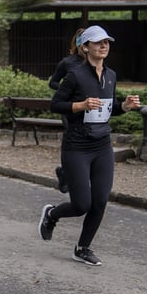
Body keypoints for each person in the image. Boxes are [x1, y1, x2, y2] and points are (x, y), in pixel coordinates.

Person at [38, 25, 141, 266]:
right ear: (85, 47)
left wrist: (124, 106)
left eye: (106, 42)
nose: (104, 46)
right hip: (76, 146)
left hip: (102, 145)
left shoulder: (111, 75)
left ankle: (83, 248)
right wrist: (81, 105)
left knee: (100, 200)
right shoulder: (75, 75)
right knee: (81, 205)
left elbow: (109, 108)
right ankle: (51, 214)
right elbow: (55, 105)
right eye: (98, 42)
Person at [49, 28, 87, 193]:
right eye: (82, 41)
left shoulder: (96, 63)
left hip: (90, 109)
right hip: (70, 108)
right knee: (72, 141)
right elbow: (53, 82)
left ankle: (70, 173)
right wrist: (66, 90)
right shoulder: (67, 63)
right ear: (77, 44)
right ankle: (66, 173)